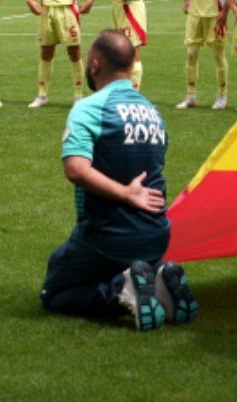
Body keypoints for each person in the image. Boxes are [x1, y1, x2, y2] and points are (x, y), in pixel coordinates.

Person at [39, 30, 197, 331]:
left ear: (95, 65)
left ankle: (121, 290)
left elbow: (75, 168)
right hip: (156, 235)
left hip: (109, 236)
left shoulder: (89, 108)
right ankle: (160, 278)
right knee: (122, 264)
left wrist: (126, 193)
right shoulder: (153, 112)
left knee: (55, 291)